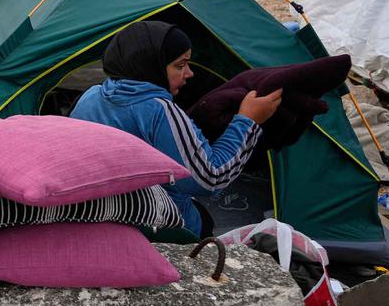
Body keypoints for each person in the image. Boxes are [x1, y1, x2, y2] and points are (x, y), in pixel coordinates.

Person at [70, 21, 283, 237]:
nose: (189, 73)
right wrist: (248, 120)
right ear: (151, 65)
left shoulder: (91, 96)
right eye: (180, 66)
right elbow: (210, 178)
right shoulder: (159, 110)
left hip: (97, 217)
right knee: (202, 219)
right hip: (158, 227)